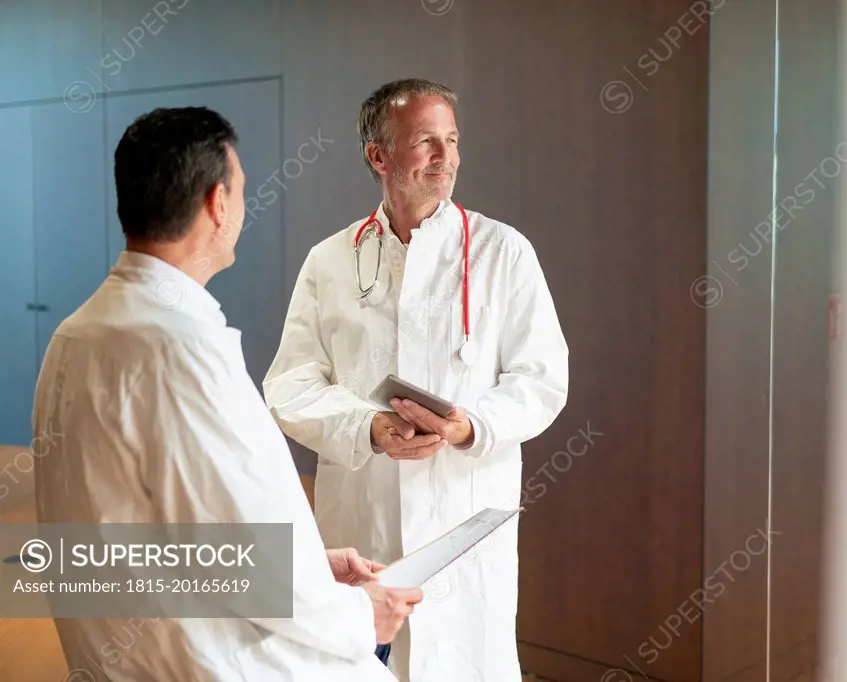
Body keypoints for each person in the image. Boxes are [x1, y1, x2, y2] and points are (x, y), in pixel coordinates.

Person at [31, 106, 422, 681]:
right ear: (218, 204)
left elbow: (160, 531)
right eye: (240, 192)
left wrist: (310, 568)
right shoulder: (176, 348)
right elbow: (246, 551)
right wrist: (356, 616)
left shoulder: (78, 333)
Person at [262, 78, 570, 681]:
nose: (445, 156)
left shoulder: (503, 252)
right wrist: (367, 427)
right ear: (378, 156)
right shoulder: (330, 260)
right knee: (365, 666)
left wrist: (470, 426)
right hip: (362, 516)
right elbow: (290, 384)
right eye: (425, 141)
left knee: (465, 661)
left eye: (451, 140)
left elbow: (542, 378)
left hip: (464, 517)